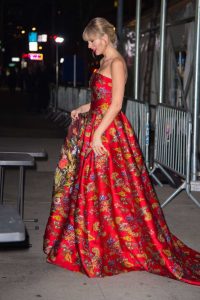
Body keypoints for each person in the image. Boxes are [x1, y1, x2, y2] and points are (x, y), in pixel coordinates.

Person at [43, 17, 200, 285]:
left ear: (103, 38)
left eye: (92, 41)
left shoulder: (116, 63)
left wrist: (97, 134)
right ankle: (96, 242)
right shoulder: (103, 62)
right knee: (93, 189)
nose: (90, 46)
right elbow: (100, 101)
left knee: (110, 190)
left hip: (109, 133)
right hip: (99, 127)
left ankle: (108, 246)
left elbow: (116, 105)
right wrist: (82, 109)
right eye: (89, 42)